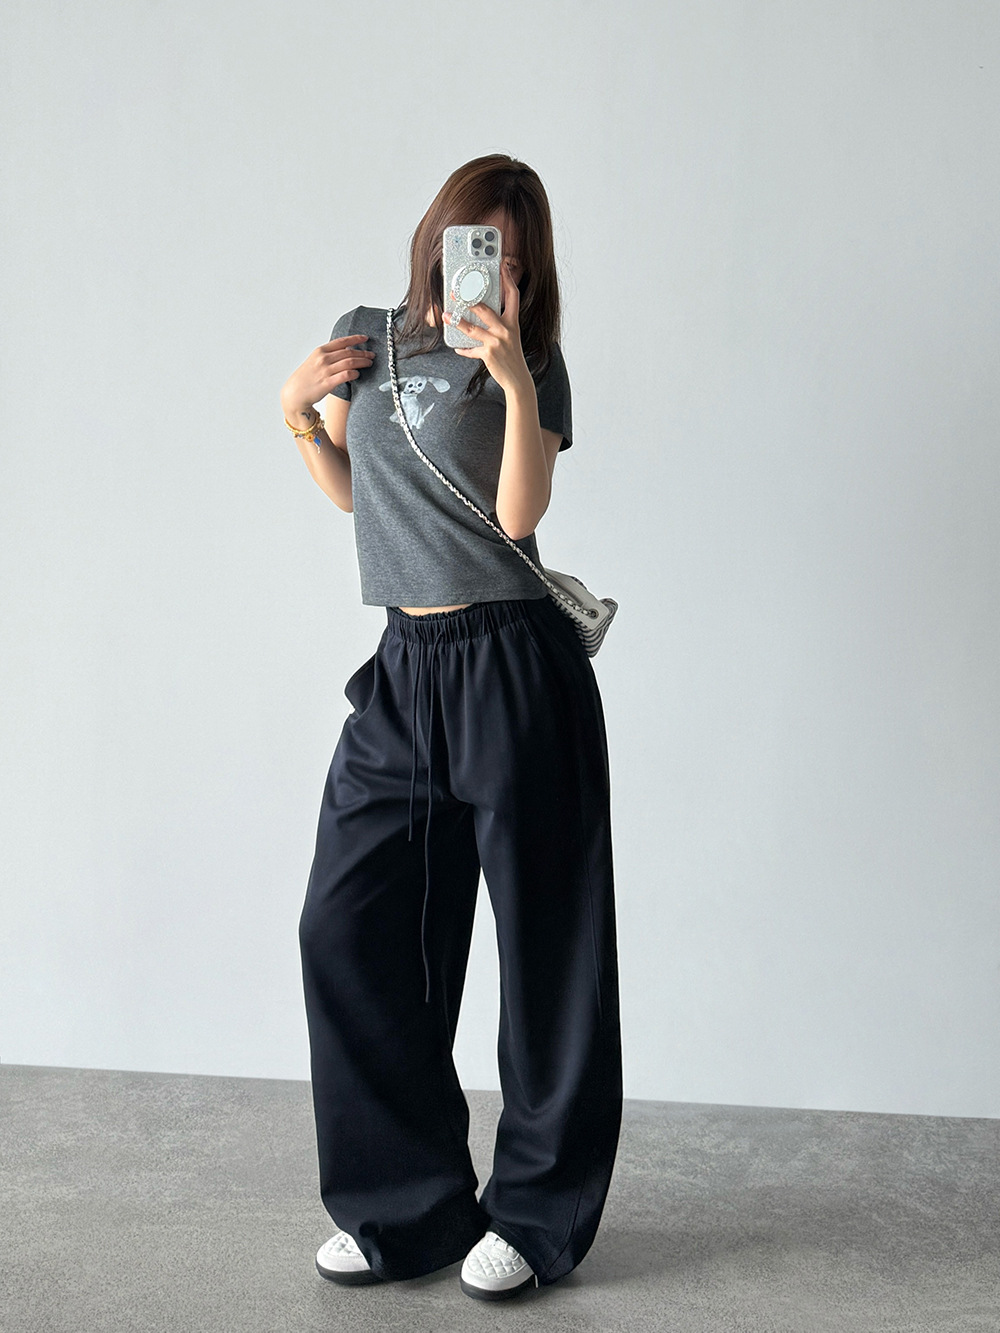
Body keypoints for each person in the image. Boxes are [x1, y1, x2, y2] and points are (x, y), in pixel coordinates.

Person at [281, 153, 622, 1303]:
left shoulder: (536, 362)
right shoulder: (365, 336)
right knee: (350, 927)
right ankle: (405, 1205)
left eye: (508, 257)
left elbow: (518, 516)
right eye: (471, 240)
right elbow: (358, 495)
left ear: (527, 272)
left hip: (512, 662)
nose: (483, 267)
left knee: (547, 949)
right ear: (433, 234)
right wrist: (296, 414)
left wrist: (514, 379)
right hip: (403, 666)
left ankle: (534, 1215)